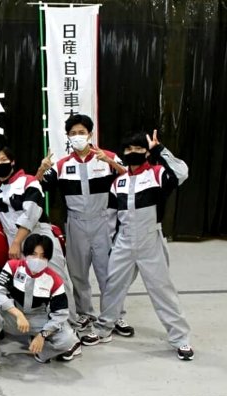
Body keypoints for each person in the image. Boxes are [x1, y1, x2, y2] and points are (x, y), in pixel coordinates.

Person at [81, 130, 194, 361]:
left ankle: (180, 338)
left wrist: (159, 149)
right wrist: (113, 244)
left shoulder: (158, 174)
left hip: (150, 240)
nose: (133, 153)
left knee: (161, 290)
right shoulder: (118, 182)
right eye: (129, 149)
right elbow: (111, 216)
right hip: (123, 241)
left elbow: (182, 172)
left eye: (139, 149)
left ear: (146, 151)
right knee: (112, 286)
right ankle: (103, 329)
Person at [37, 114, 132, 334]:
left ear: (90, 134)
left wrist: (109, 162)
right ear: (68, 137)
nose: (78, 136)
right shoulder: (61, 165)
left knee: (108, 273)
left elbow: (130, 176)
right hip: (76, 224)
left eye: (82, 132)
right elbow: (36, 187)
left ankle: (114, 316)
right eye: (73, 133)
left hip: (103, 223)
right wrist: (42, 169)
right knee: (78, 274)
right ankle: (85, 314)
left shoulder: (107, 157)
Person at [0, 144, 75, 320]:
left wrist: (16, 242)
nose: (0, 164)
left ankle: (69, 323)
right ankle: (36, 323)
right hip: (15, 241)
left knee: (57, 280)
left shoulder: (29, 182)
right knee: (27, 283)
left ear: (13, 162)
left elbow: (31, 214)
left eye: (4, 160)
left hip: (38, 237)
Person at [0, 234, 81, 375]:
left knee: (68, 340)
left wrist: (42, 335)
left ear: (48, 259)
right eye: (33, 254)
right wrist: (17, 313)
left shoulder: (55, 280)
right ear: (25, 254)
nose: (37, 260)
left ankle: (41, 351)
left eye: (42, 256)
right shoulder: (12, 266)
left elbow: (61, 314)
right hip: (14, 316)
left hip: (39, 318)